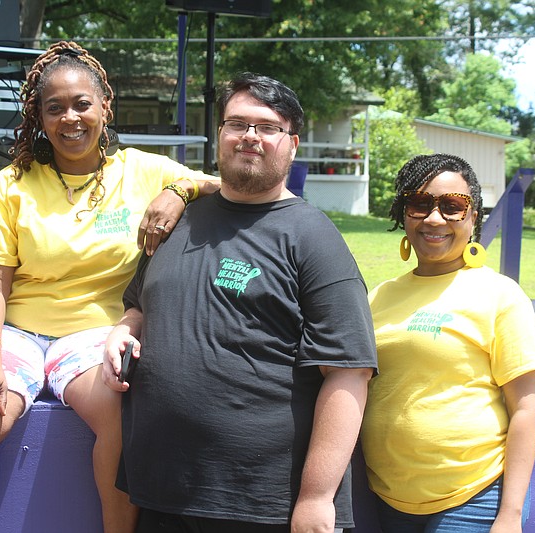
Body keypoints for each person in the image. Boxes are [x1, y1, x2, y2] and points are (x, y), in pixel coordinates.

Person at [0, 41, 218, 533]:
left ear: (105, 106)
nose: (71, 118)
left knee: (127, 409)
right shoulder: (14, 182)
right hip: (15, 331)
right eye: (55, 108)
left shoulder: (144, 170)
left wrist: (179, 189)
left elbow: (224, 185)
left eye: (82, 103)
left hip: (96, 337)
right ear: (39, 119)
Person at [102, 72, 378, 533]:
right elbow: (140, 305)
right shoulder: (179, 220)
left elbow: (350, 372)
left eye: (267, 127)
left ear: (292, 143)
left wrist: (315, 498)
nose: (250, 137)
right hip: (163, 489)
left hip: (260, 504)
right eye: (237, 124)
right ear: (220, 136)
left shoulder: (312, 237)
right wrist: (124, 329)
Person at [360, 153, 535, 532]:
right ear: (403, 213)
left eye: (452, 206)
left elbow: (527, 412)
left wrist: (510, 515)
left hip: (473, 498)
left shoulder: (500, 296)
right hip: (388, 496)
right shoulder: (377, 298)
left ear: (473, 216)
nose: (434, 218)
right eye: (419, 203)